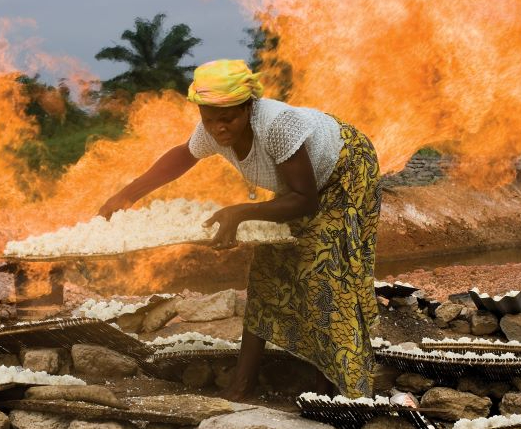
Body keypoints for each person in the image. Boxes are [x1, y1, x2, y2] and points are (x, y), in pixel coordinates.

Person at [99, 59, 380, 400]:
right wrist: (127, 195)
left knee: (324, 273)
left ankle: (340, 387)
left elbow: (306, 201)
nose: (218, 128)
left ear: (248, 107)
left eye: (228, 118)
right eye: (209, 119)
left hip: (343, 171)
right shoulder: (212, 130)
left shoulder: (278, 126)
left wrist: (242, 213)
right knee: (266, 272)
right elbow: (181, 157)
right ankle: (243, 384)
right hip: (300, 187)